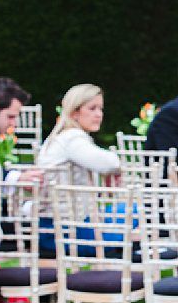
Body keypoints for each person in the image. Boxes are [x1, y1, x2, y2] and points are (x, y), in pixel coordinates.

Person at [36, 84, 122, 254]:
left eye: (100, 109)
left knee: (125, 213)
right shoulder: (72, 139)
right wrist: (115, 171)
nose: (99, 114)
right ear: (74, 112)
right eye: (92, 108)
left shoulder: (63, 136)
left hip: (58, 226)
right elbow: (110, 162)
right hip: (64, 232)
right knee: (133, 214)